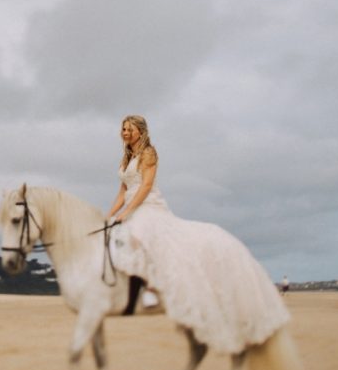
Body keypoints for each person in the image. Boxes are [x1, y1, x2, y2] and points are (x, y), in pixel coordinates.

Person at [106, 115, 289, 353]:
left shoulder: (148, 153)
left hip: (148, 204)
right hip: (131, 204)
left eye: (129, 129)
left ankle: (151, 289)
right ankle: (130, 299)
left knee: (142, 233)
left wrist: (128, 211)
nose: (125, 132)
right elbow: (123, 191)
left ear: (140, 131)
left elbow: (146, 186)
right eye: (123, 129)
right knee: (122, 242)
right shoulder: (126, 158)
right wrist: (110, 215)